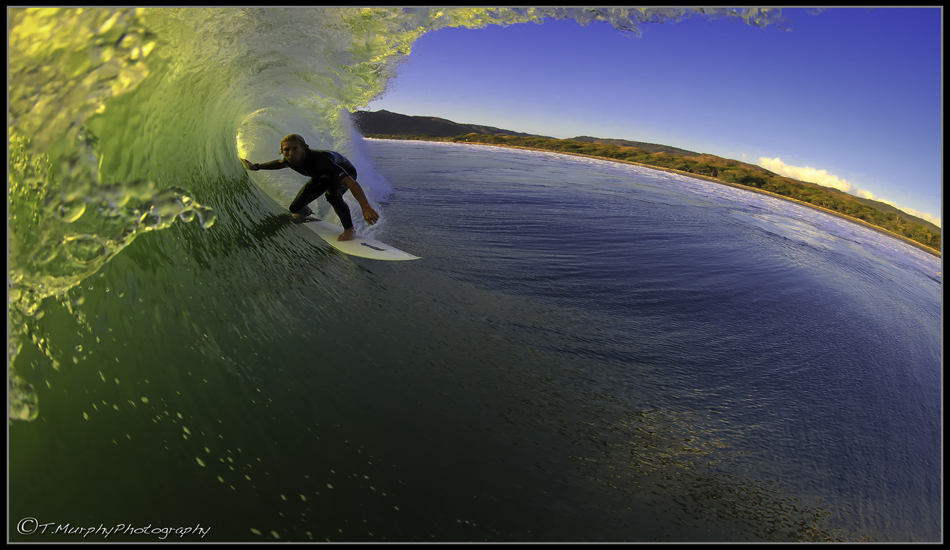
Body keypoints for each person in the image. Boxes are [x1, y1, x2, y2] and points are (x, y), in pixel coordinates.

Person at [241, 134, 379, 241]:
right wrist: (255, 167)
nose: (291, 153)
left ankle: (349, 229)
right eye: (286, 150)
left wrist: (366, 207)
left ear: (304, 148)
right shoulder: (289, 160)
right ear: (282, 151)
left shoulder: (321, 161)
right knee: (295, 209)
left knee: (332, 196)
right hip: (321, 176)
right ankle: (308, 213)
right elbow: (279, 163)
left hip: (345, 171)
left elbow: (350, 182)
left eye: (295, 148)